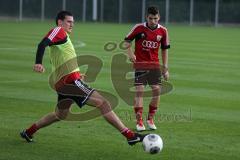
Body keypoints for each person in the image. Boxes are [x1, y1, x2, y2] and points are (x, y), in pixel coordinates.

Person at [20, 10, 145, 145]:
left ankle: (29, 132)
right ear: (60, 22)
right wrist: (38, 62)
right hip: (69, 82)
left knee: (60, 115)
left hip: (65, 83)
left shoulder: (63, 38)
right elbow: (42, 43)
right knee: (103, 103)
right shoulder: (58, 31)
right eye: (69, 21)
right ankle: (130, 135)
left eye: (73, 22)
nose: (72, 24)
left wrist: (77, 74)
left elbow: (63, 60)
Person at [124, 6, 170, 131]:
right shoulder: (139, 28)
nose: (153, 21)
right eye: (151, 18)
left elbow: (164, 50)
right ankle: (139, 122)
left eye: (155, 18)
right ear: (147, 17)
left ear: (159, 17)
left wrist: (165, 67)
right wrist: (130, 54)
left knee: (156, 90)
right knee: (140, 91)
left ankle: (150, 119)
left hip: (154, 65)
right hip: (140, 65)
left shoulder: (163, 31)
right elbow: (126, 41)